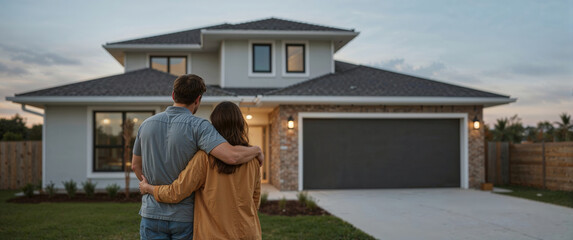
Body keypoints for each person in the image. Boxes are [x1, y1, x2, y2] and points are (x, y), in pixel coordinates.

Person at [132, 74, 263, 240]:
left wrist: (147, 186)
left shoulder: (146, 125)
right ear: (198, 99)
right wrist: (256, 150)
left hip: (151, 212)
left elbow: (136, 166)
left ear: (173, 95)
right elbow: (232, 158)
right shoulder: (200, 127)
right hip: (185, 217)